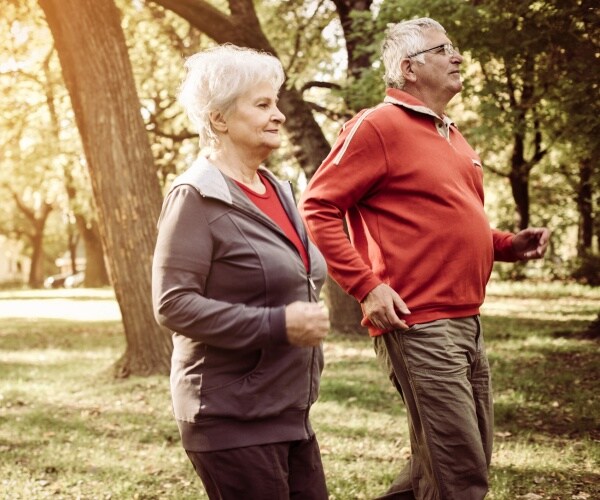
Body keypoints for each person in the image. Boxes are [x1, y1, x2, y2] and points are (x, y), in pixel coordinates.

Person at [300, 18, 550, 500]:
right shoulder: (377, 125)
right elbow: (318, 205)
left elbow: (451, 219)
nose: (458, 57)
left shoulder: (453, 136)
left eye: (455, 48)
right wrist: (366, 285)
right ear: (409, 68)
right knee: (461, 471)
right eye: (444, 49)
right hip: (418, 322)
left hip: (467, 321)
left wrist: (504, 244)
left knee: (443, 464)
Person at [152, 44, 330, 500]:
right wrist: (279, 323)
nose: (279, 116)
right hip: (229, 417)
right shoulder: (195, 196)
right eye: (263, 104)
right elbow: (173, 303)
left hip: (288, 410)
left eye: (276, 103)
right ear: (219, 120)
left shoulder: (278, 191)